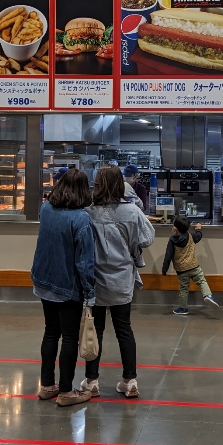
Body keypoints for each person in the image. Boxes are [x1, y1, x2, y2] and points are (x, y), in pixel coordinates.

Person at [80, 166, 155, 399]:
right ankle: (129, 380)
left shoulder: (88, 212)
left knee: (96, 330)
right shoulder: (132, 211)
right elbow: (147, 238)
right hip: (122, 279)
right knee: (124, 329)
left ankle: (92, 381)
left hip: (97, 280)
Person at [31, 168, 96, 407]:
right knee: (69, 338)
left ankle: (47, 385)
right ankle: (67, 391)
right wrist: (90, 291)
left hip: (43, 279)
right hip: (68, 285)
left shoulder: (46, 209)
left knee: (51, 332)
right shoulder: (81, 219)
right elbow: (84, 261)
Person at [161, 216, 219, 315]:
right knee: (202, 281)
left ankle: (183, 308)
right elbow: (198, 236)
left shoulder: (172, 240)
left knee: (184, 289)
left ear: (175, 228)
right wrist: (198, 230)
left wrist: (164, 270)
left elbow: (168, 256)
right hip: (194, 266)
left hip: (181, 270)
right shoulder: (191, 236)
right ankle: (208, 296)